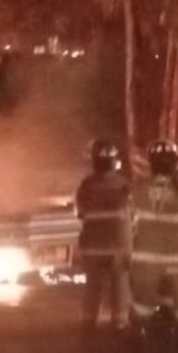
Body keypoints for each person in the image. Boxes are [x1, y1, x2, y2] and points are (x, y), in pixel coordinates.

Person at [127, 139, 178, 342]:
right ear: (174, 162)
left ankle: (137, 332)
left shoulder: (138, 189)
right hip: (177, 256)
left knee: (143, 299)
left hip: (145, 257)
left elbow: (130, 221)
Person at [75, 139, 132, 332]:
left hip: (92, 246)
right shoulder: (124, 185)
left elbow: (81, 213)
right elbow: (132, 212)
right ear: (114, 161)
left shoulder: (86, 185)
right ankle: (120, 322)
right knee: (120, 283)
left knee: (93, 284)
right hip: (118, 245)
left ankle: (88, 322)